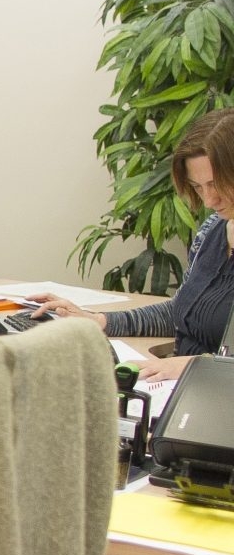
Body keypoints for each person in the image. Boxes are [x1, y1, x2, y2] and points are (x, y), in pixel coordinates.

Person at [29, 108, 234, 382]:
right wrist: (101, 321)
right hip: (181, 389)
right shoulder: (213, 230)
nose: (209, 200)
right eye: (198, 187)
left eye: (216, 184)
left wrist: (191, 366)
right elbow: (184, 310)